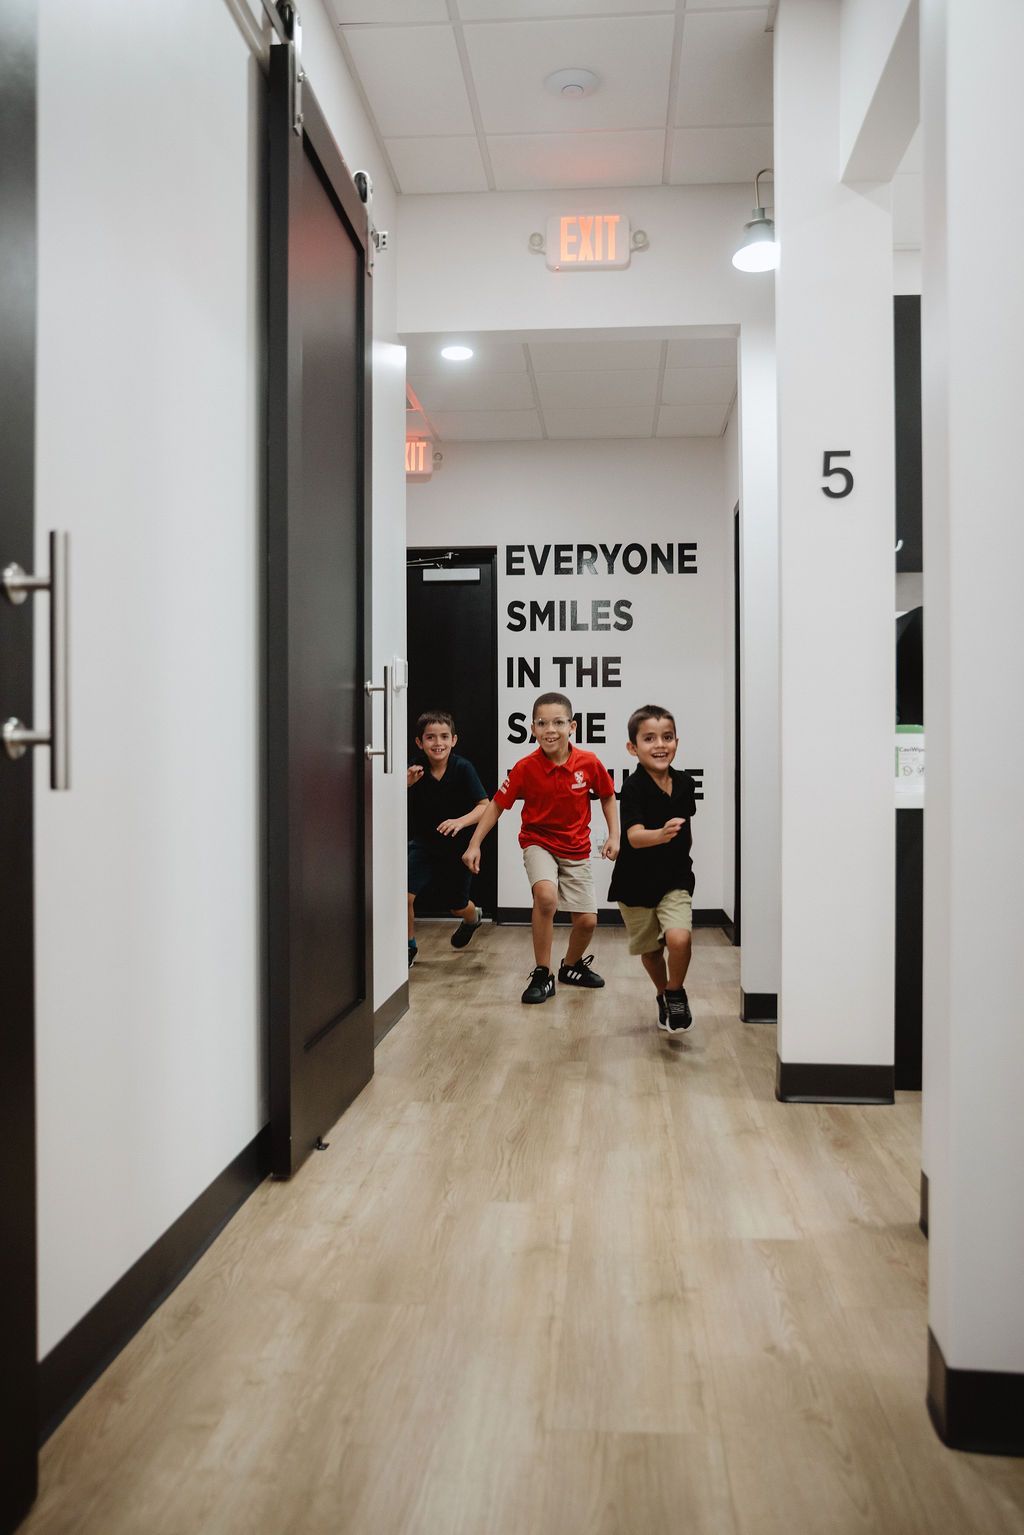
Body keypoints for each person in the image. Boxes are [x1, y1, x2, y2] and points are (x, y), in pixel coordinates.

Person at [462, 692, 619, 1004]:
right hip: (538, 842)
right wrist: (474, 843)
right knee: (546, 897)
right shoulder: (525, 767)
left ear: (572, 726)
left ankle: (570, 966)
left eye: (558, 722)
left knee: (587, 922)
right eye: (542, 723)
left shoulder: (588, 762)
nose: (550, 730)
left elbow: (607, 795)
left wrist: (614, 835)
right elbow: (496, 806)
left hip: (576, 847)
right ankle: (543, 973)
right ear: (532, 728)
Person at [607, 704, 697, 1035]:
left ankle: (675, 992)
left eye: (667, 737)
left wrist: (674, 844)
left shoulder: (685, 783)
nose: (660, 744)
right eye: (649, 738)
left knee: (679, 938)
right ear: (633, 747)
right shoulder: (633, 788)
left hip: (675, 878)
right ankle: (662, 993)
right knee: (651, 951)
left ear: (676, 742)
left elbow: (686, 828)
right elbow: (633, 837)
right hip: (635, 884)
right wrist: (660, 835)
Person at [407, 711, 489, 968]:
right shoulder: (414, 769)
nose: (438, 743)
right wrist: (404, 784)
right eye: (430, 737)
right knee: (404, 897)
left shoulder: (462, 768)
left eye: (444, 737)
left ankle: (472, 918)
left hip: (457, 848)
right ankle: (408, 947)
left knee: (457, 906)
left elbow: (485, 806)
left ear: (453, 740)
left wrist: (460, 822)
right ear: (420, 742)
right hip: (423, 845)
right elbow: (385, 800)